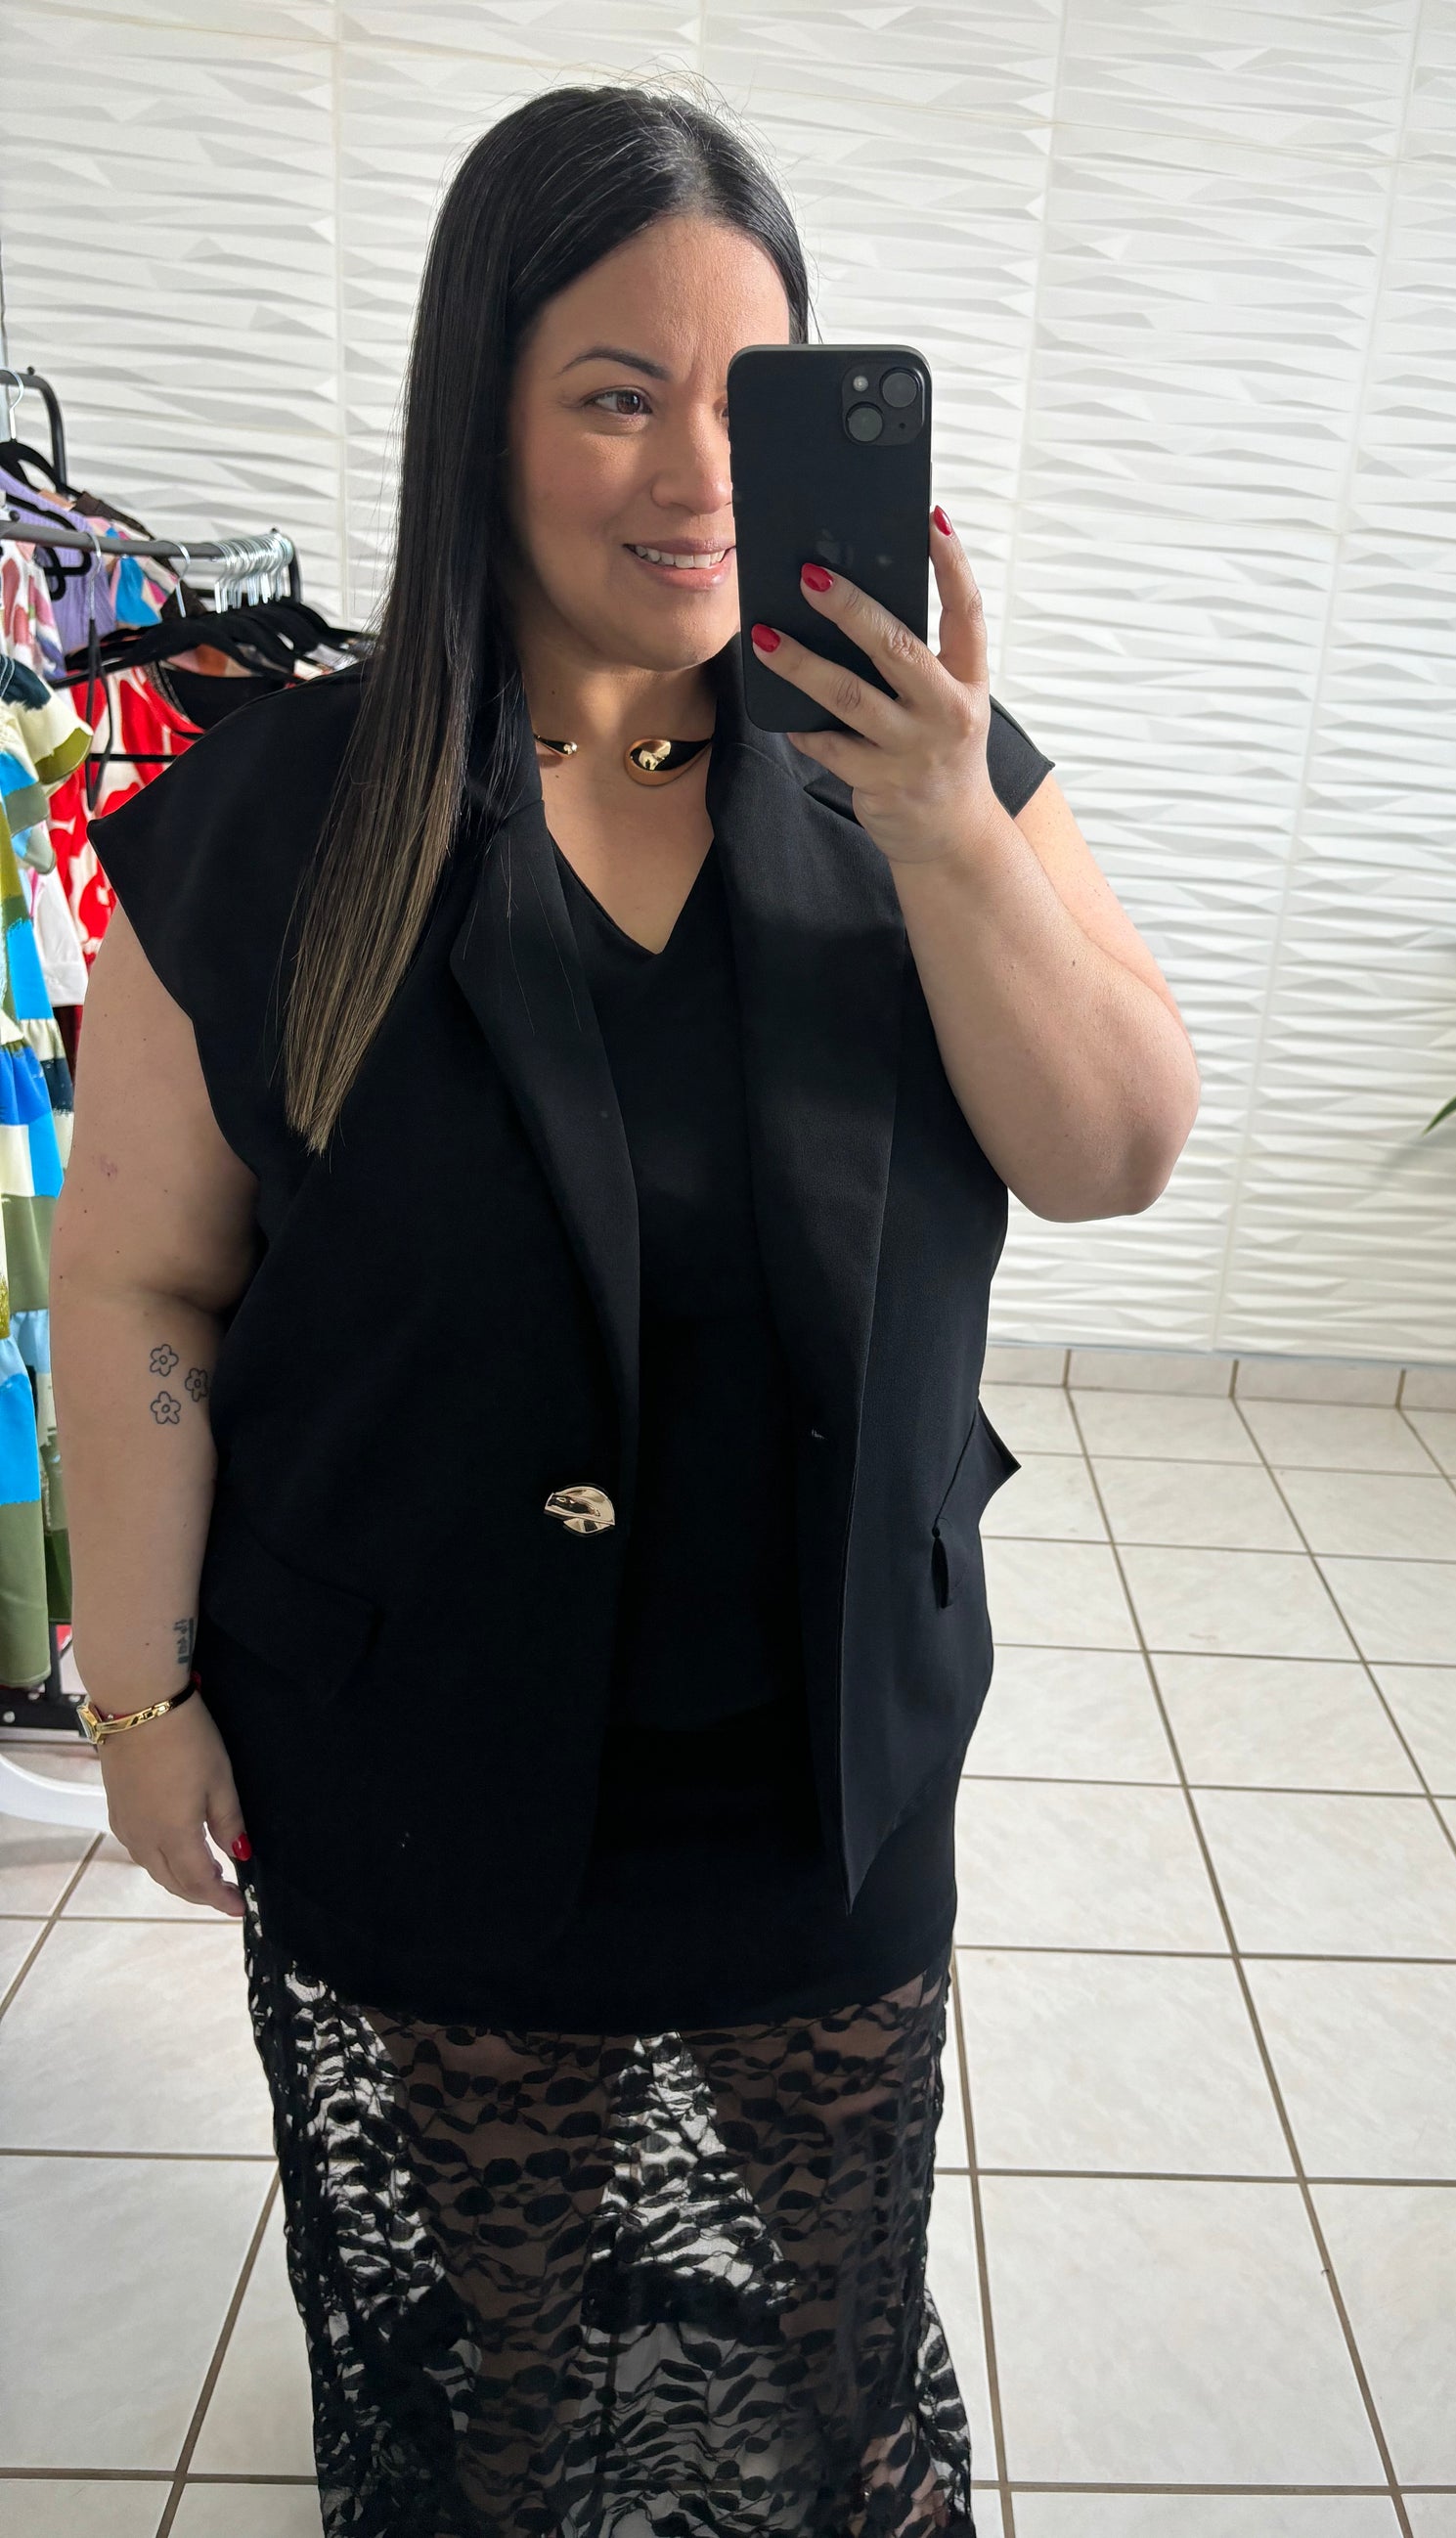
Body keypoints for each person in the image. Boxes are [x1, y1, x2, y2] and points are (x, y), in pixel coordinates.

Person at [52, 83, 1199, 2538]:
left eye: (745, 399)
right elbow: (139, 1268)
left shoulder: (930, 777)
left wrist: (942, 829)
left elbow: (1109, 1150)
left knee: (831, 2321)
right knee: (492, 2336)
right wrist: (134, 1689)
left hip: (818, 1760)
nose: (694, 473)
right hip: (413, 1737)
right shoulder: (268, 822)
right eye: (611, 392)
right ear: (476, 410)